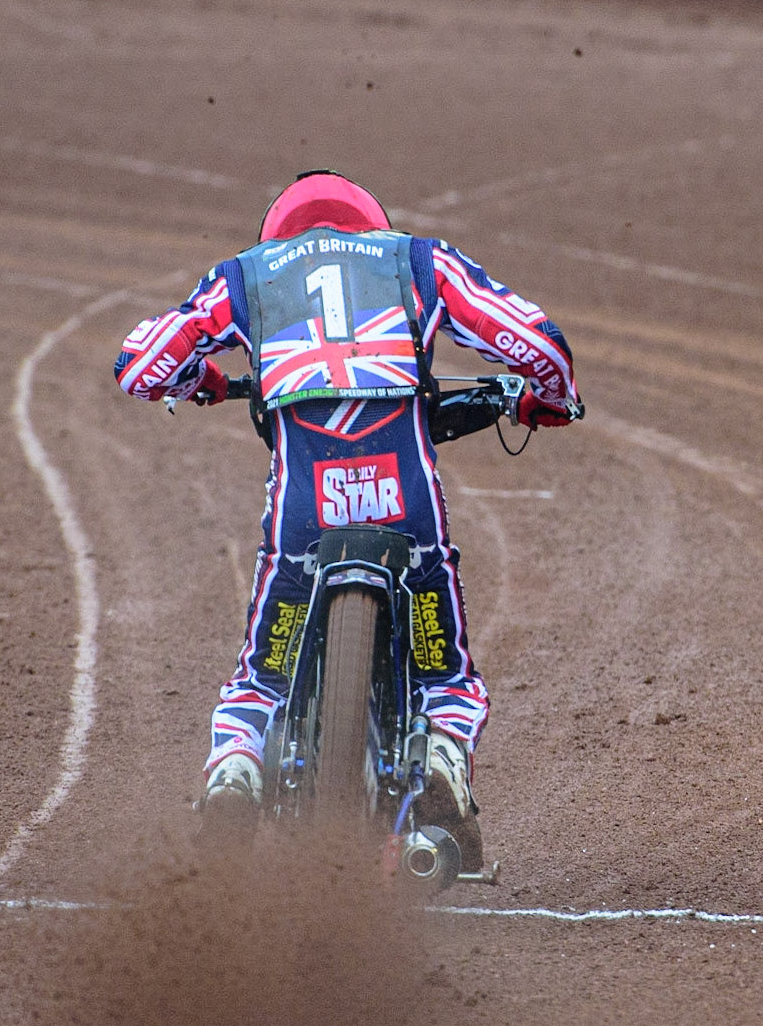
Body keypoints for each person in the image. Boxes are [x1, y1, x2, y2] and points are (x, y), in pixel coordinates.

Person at [115, 170, 581, 866]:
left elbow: (139, 365)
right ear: (370, 225)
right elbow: (537, 343)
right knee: (445, 676)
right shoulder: (416, 260)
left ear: (278, 234)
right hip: (405, 499)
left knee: (262, 676)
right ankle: (443, 754)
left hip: (304, 507)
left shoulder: (245, 276)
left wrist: (200, 380)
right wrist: (550, 397)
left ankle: (236, 768)